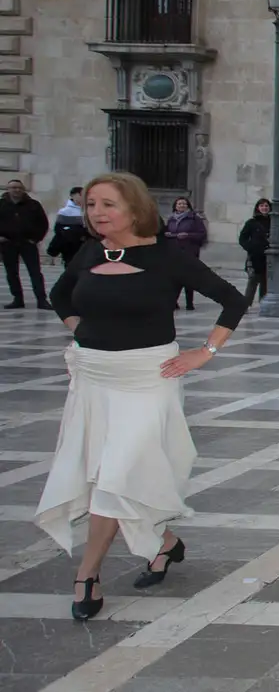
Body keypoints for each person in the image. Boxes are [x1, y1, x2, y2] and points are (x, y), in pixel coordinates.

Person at [36, 173, 248, 620]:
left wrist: (205, 352)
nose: (97, 213)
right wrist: (81, 330)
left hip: (147, 379)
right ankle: (164, 544)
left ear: (135, 210)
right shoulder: (89, 252)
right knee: (105, 474)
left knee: (116, 475)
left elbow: (233, 299)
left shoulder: (166, 256)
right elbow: (59, 296)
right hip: (94, 379)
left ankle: (87, 574)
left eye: (108, 204)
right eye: (91, 204)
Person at [1, 178, 50, 309]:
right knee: (12, 273)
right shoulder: (2, 204)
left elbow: (43, 223)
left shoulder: (33, 205)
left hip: (28, 243)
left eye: (19, 188)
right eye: (13, 188)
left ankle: (41, 299)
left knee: (35, 272)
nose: (16, 190)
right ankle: (17, 299)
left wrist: (36, 239)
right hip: (8, 243)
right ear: (8, 189)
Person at [163, 196, 207, 311]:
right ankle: (174, 301)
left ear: (188, 206)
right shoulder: (171, 219)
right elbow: (166, 231)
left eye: (184, 204)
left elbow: (202, 234)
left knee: (188, 278)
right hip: (174, 252)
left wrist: (188, 235)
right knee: (174, 278)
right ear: (175, 206)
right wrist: (167, 234)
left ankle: (189, 303)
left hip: (189, 251)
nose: (182, 206)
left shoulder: (194, 219)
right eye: (179, 204)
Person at [238, 198, 271, 304]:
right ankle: (246, 304)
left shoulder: (274, 222)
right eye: (262, 206)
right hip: (255, 256)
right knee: (253, 281)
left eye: (266, 206)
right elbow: (242, 239)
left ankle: (263, 303)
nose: (264, 208)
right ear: (258, 208)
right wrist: (251, 247)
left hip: (269, 256)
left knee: (265, 282)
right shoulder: (251, 223)